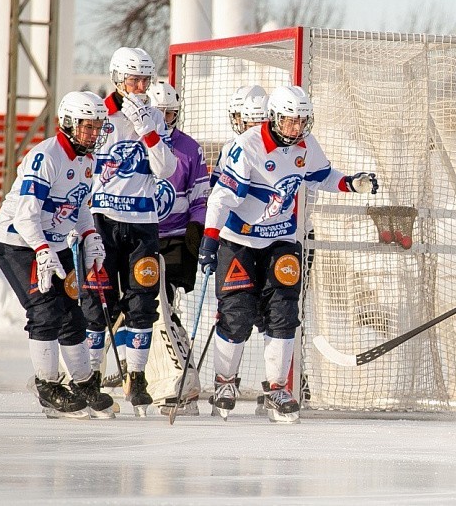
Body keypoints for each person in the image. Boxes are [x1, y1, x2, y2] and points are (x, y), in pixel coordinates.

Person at [198, 85, 379, 422]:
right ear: (274, 118)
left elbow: (322, 176)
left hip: (283, 239)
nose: (296, 129)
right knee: (237, 314)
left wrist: (351, 183)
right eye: (289, 121)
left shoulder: (305, 146)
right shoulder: (247, 145)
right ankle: (225, 382)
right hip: (240, 240)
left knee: (283, 313)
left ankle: (277, 388)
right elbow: (222, 197)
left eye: (301, 122)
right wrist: (209, 240)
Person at [0, 91, 115, 419]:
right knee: (45, 311)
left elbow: (80, 206)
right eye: (87, 127)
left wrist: (90, 237)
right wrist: (42, 250)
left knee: (72, 314)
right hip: (20, 243)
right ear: (67, 124)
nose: (93, 133)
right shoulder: (45, 157)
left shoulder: (88, 160)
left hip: (55, 243)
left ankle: (83, 381)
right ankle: (47, 385)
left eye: (97, 127)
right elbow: (24, 216)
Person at [79, 47, 177, 416]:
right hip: (102, 219)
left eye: (145, 80)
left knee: (141, 298)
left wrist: (147, 129)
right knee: (97, 301)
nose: (140, 87)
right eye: (134, 80)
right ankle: (90, 376)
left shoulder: (153, 116)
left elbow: (166, 169)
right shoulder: (97, 113)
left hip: (141, 221)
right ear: (118, 79)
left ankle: (135, 377)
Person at [141, 81, 210, 415]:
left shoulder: (189, 148)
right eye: (161, 113)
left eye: (172, 113)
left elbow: (200, 196)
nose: (167, 119)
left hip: (174, 238)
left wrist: (197, 226)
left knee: (162, 300)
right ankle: (139, 374)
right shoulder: (134, 143)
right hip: (138, 236)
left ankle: (176, 376)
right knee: (134, 307)